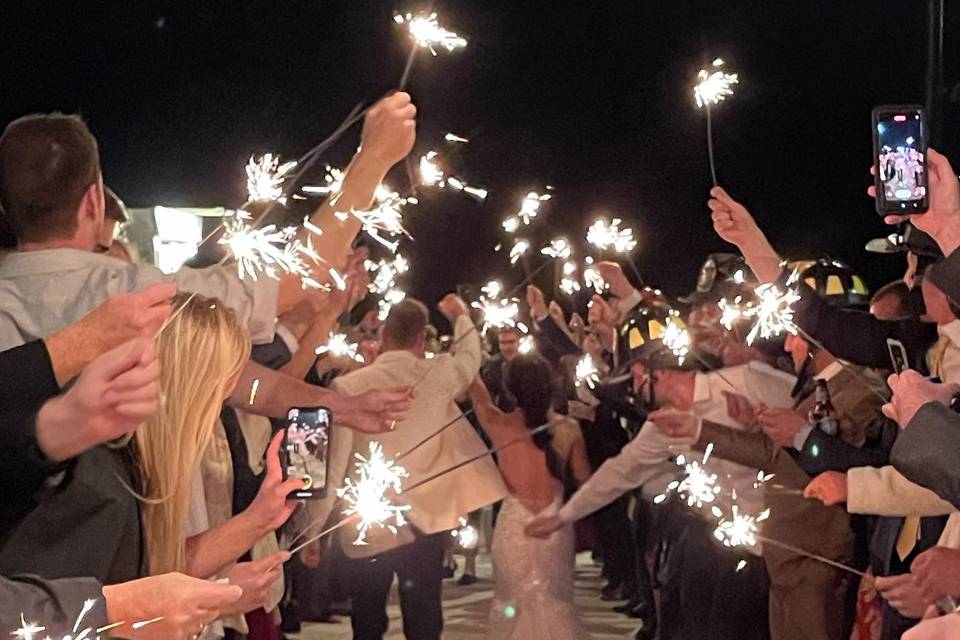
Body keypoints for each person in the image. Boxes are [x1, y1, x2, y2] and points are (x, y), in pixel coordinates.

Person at [0, 108, 412, 434]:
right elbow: (292, 278)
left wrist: (343, 407)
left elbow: (239, 382)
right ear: (93, 203)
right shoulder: (128, 294)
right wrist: (373, 159)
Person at [301, 295, 507, 640]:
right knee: (424, 616)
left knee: (366, 618)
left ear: (383, 336)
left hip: (367, 520)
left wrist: (312, 530)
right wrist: (461, 317)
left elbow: (334, 465)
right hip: (425, 519)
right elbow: (471, 359)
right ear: (421, 339)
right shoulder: (439, 374)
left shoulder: (349, 386)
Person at [467, 354, 591, 639]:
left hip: (514, 526)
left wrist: (467, 356)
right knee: (555, 601)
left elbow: (479, 396)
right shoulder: (570, 429)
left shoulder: (499, 425)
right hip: (555, 526)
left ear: (511, 390)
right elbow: (585, 484)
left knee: (514, 603)